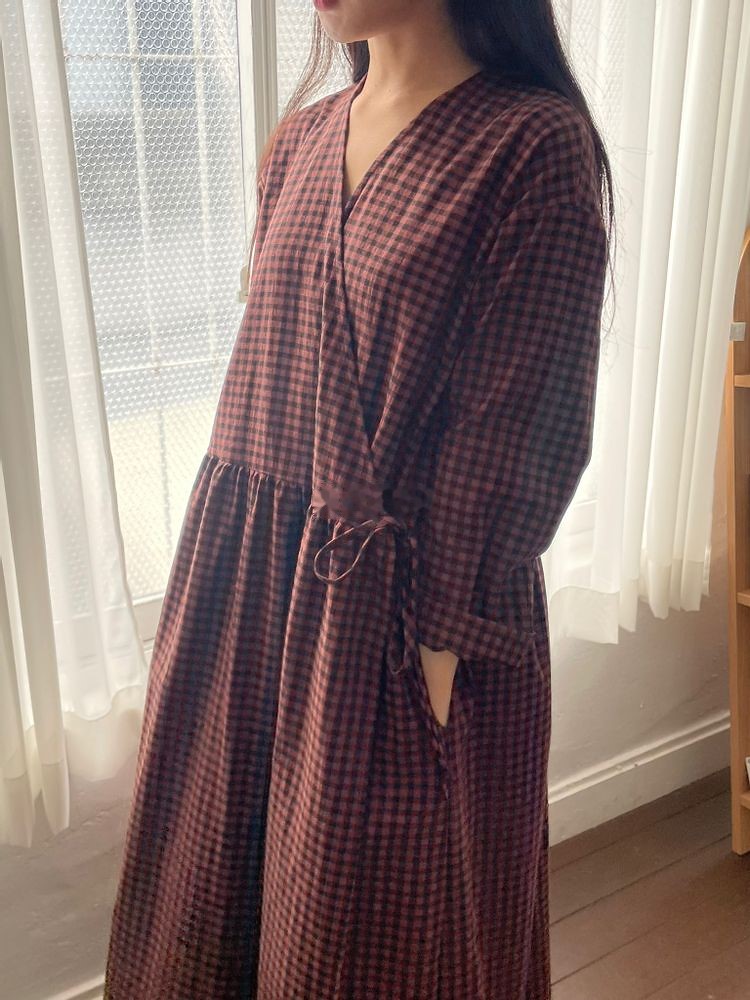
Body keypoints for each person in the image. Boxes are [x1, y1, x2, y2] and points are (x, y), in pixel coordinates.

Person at [103, 0, 613, 996]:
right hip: (246, 598)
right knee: (210, 914)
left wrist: (435, 658)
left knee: (375, 946)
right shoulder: (301, 140)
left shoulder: (529, 145)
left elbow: (520, 432)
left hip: (404, 624)